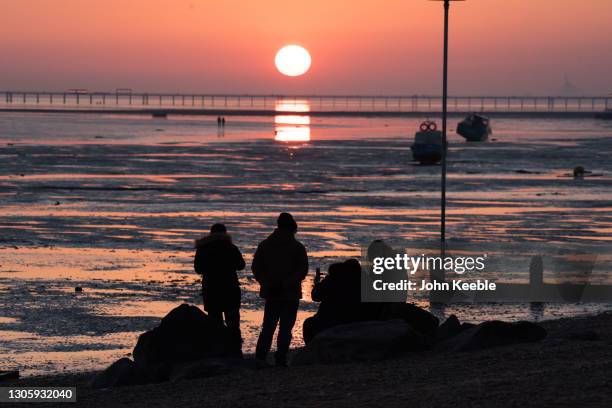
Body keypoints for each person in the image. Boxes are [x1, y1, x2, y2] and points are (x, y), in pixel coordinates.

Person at [252, 212, 308, 367]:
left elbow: (256, 267)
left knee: (268, 327)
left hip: (273, 293)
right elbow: (302, 270)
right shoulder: (297, 247)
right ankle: (281, 357)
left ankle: (261, 357)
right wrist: (286, 283)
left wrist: (266, 283)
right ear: (292, 228)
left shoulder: (265, 245)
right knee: (285, 328)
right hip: (289, 293)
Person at [194, 223, 245, 357]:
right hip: (230, 290)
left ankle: (218, 353)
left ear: (211, 234)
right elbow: (241, 265)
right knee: (233, 324)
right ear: (225, 233)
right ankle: (235, 352)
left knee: (215, 324)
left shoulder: (203, 249)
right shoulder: (231, 248)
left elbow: (198, 269)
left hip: (212, 291)